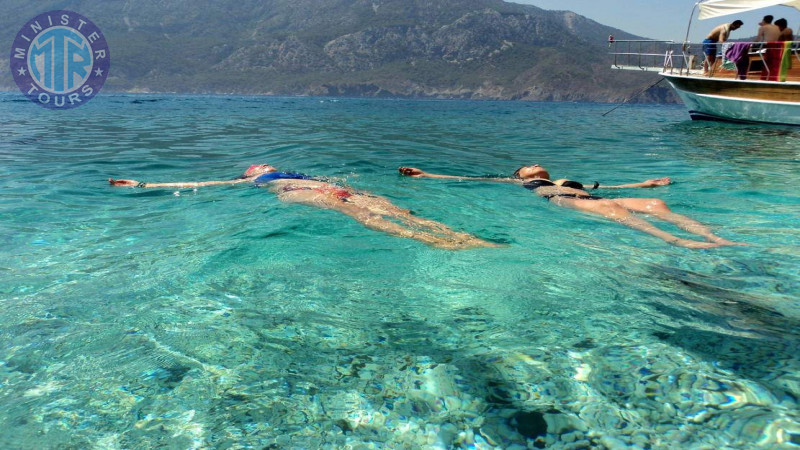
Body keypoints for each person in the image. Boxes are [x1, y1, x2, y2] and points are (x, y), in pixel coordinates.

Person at [109, 164, 499, 250]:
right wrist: (144, 183)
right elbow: (197, 182)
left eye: (260, 165)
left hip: (334, 189)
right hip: (322, 193)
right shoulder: (253, 180)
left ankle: (460, 238)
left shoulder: (286, 173)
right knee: (364, 215)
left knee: (397, 211)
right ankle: (442, 242)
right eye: (253, 167)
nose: (258, 166)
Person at [398, 165, 744, 249]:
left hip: (592, 196)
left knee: (655, 203)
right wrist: (426, 174)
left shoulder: (565, 177)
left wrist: (645, 185)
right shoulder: (519, 183)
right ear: (520, 176)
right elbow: (466, 180)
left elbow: (608, 186)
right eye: (526, 167)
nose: (533, 166)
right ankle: (676, 241)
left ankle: (712, 236)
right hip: (564, 203)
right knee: (617, 214)